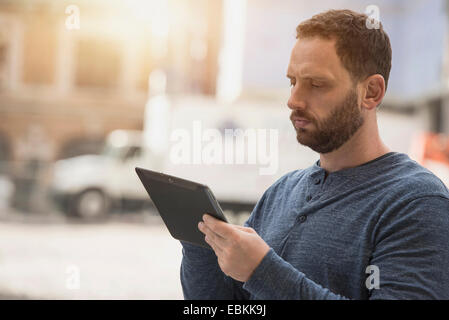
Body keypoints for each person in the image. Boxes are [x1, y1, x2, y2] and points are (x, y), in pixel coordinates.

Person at [180, 9, 449, 299]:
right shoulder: (281, 192)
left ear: (371, 91)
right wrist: (199, 243)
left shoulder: (417, 203)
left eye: (316, 84)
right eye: (293, 81)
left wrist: (262, 271)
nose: (293, 100)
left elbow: (262, 276)